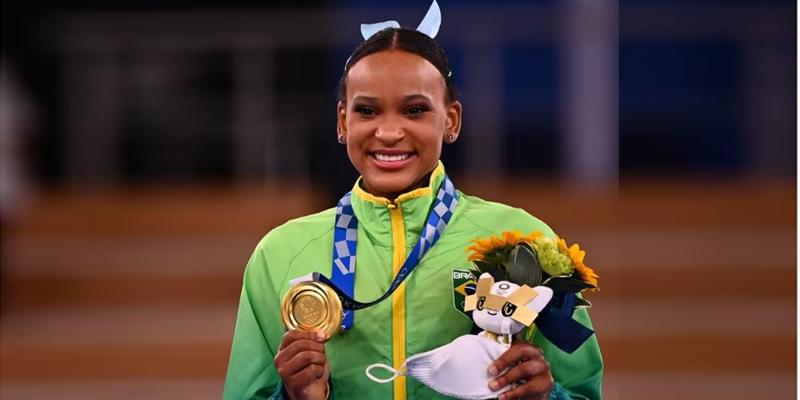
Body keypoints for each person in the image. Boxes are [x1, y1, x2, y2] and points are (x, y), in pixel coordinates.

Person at [223, 26, 603, 400]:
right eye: (368, 110)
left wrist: (546, 395)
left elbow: (583, 391)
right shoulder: (280, 254)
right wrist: (296, 398)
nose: (388, 132)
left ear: (451, 120)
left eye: (415, 110)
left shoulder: (525, 241)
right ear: (343, 121)